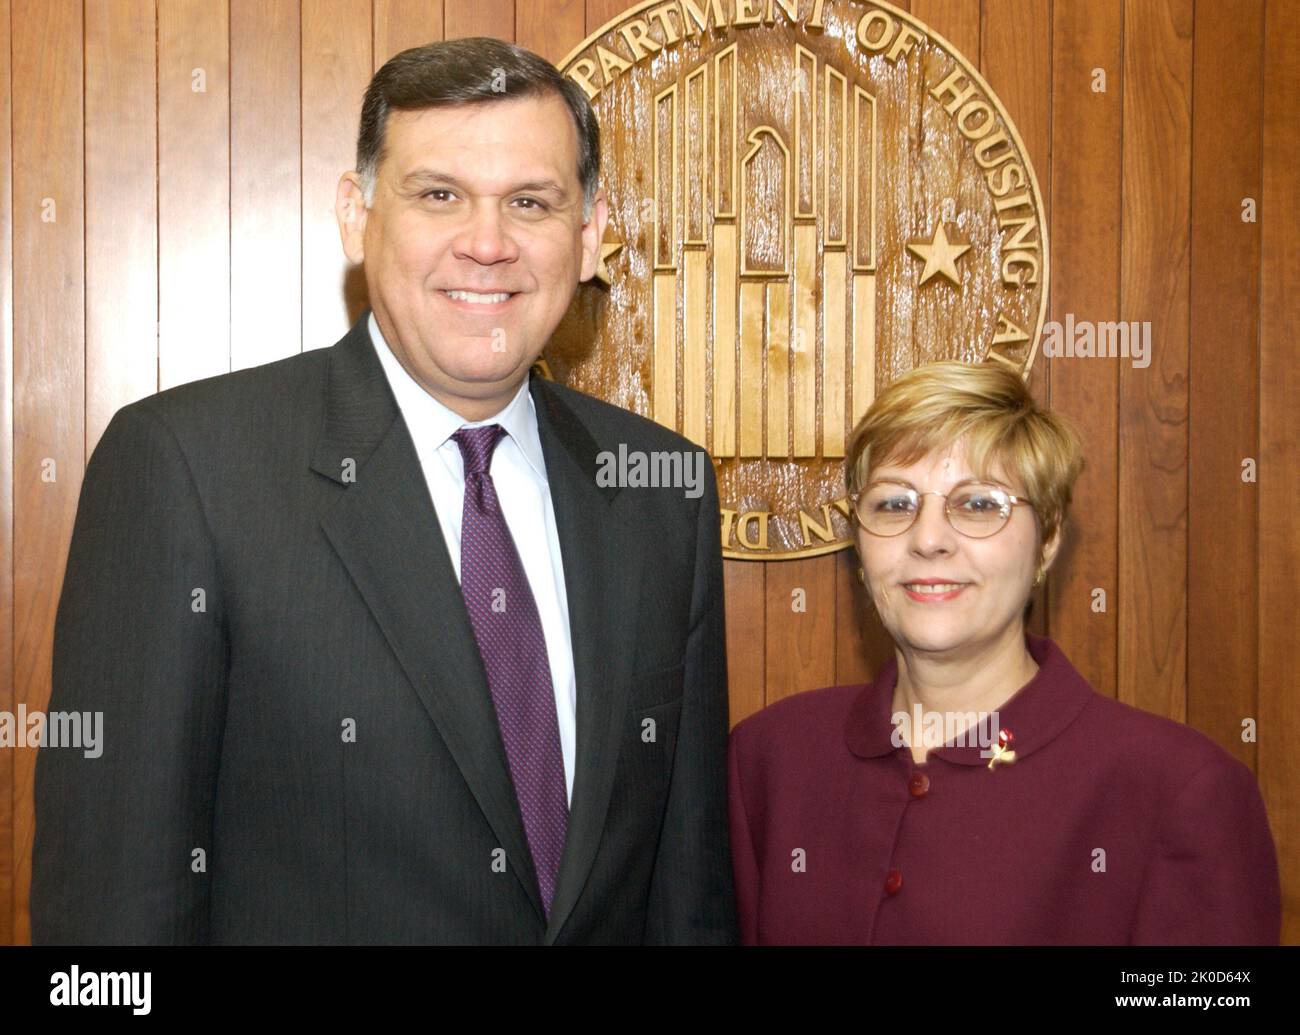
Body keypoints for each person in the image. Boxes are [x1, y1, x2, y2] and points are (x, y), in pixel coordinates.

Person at [32, 37, 736, 945]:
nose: (487, 243)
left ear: (591, 234)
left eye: (531, 201)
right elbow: (110, 913)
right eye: (438, 194)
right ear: (357, 215)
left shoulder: (659, 490)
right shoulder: (187, 467)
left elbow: (687, 897)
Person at [727, 360, 1281, 944]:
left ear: (1046, 541)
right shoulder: (770, 757)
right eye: (894, 504)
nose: (929, 539)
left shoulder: (1178, 789)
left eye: (980, 504)